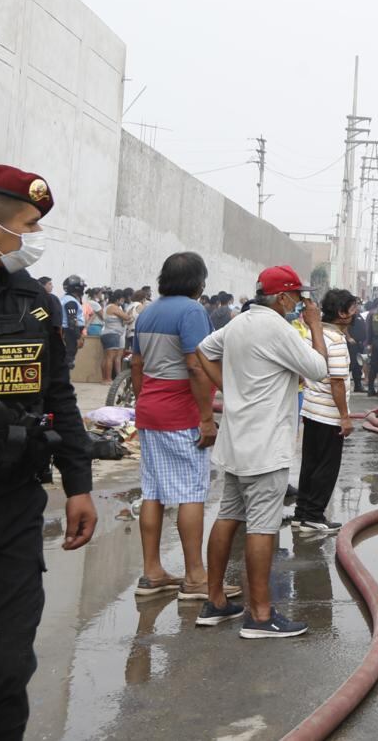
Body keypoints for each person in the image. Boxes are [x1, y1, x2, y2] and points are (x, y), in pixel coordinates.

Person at [0, 165, 97, 738]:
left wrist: (78, 482)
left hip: (9, 510)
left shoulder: (34, 301)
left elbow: (57, 394)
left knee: (5, 674)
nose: (34, 239)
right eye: (29, 226)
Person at [193, 265, 327, 638]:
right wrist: (315, 325)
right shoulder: (277, 328)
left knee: (228, 517)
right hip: (266, 445)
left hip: (237, 441)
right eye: (298, 297)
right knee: (263, 528)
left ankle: (215, 601)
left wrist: (228, 389)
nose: (302, 304)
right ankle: (261, 614)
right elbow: (317, 369)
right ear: (282, 297)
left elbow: (203, 350)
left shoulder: (238, 323)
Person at [130, 252, 230, 600]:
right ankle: (195, 577)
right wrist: (205, 417)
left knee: (153, 491)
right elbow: (196, 366)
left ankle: (152, 571)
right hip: (180, 412)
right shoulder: (191, 312)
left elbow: (137, 366)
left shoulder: (147, 312)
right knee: (191, 493)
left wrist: (145, 402)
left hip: (150, 409)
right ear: (198, 282)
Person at [294, 289, 357, 533]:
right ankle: (314, 515)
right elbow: (337, 381)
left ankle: (303, 513)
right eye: (352, 309)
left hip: (310, 409)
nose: (355, 313)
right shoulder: (336, 341)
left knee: (309, 462)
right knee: (326, 467)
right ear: (341, 313)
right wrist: (344, 416)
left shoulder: (313, 333)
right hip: (328, 414)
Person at [100, 287, 131, 383]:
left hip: (107, 333)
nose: (123, 300)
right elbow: (126, 317)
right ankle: (108, 379)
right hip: (112, 334)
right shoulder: (113, 307)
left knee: (106, 357)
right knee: (110, 358)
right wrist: (129, 317)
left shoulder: (107, 306)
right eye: (122, 299)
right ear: (118, 298)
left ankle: (104, 378)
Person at [58, 274, 85, 368]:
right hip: (70, 333)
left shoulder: (65, 299)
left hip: (67, 332)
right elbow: (72, 321)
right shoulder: (71, 301)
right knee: (68, 360)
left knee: (66, 359)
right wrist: (78, 337)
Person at [346, 297, 368, 395]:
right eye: (356, 303)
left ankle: (358, 385)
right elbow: (344, 327)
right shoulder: (347, 315)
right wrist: (349, 338)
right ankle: (345, 385)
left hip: (360, 344)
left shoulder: (358, 315)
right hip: (351, 345)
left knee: (358, 366)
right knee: (351, 365)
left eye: (359, 303)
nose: (358, 305)